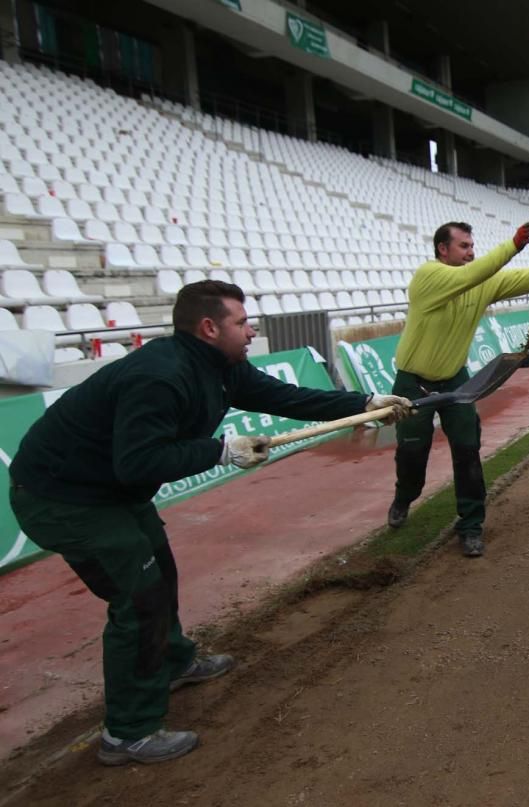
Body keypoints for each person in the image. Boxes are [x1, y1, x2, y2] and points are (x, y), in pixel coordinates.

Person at [8, 280, 414, 766]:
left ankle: (175, 660)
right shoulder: (160, 376)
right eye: (242, 323)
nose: (252, 331)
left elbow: (284, 397)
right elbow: (136, 463)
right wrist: (219, 451)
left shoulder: (222, 367)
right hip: (62, 496)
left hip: (109, 491)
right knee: (139, 600)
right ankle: (128, 733)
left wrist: (362, 403)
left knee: (160, 567)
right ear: (208, 327)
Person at [388, 220, 529, 557]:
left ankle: (471, 525)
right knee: (412, 452)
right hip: (412, 383)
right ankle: (405, 495)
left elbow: (524, 278)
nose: (471, 252)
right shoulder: (427, 277)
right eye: (464, 246)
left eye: (472, 246)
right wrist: (514, 244)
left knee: (467, 449)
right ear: (442, 250)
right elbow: (467, 278)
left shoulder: (479, 281)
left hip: (456, 380)